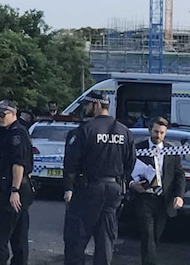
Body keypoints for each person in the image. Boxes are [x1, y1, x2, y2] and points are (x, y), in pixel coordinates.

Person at [62, 90, 136, 265]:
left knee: (76, 239)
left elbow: (71, 163)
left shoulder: (84, 130)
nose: (86, 108)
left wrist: (68, 188)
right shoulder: (124, 131)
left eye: (87, 105)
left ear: (96, 105)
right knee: (105, 240)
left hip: (88, 189)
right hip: (114, 190)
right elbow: (130, 163)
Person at [129, 117, 185, 265]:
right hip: (144, 199)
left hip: (163, 200)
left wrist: (179, 195)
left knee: (155, 237)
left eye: (161, 133)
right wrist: (132, 184)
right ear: (149, 130)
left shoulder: (171, 151)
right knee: (147, 236)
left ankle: (149, 260)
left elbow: (179, 175)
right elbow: (127, 170)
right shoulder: (138, 149)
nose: (158, 136)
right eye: (156, 132)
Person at [0, 100, 33, 265]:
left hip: (15, 188)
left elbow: (18, 163)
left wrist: (14, 190)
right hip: (22, 188)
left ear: (13, 113)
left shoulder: (16, 134)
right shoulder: (10, 132)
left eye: (3, 114)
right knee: (19, 235)